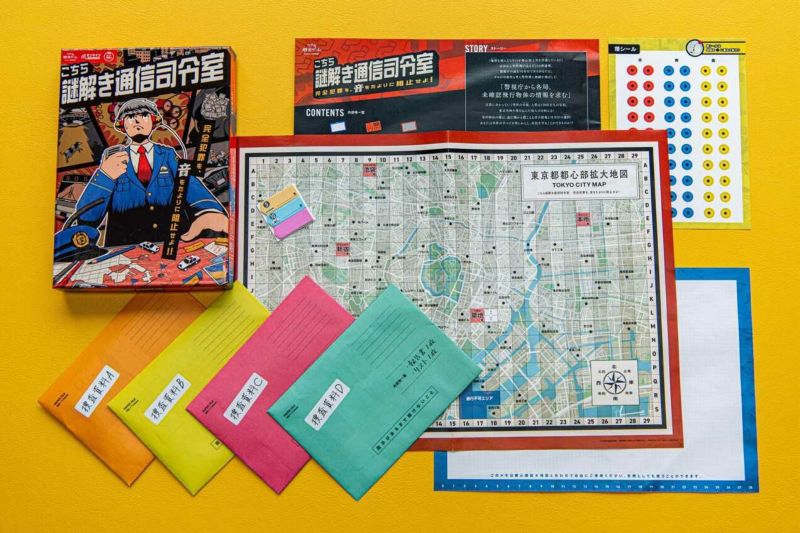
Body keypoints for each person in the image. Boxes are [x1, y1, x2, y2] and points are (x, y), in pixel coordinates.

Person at [73, 97, 227, 246]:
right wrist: (104, 176)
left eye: (144, 115)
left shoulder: (168, 154)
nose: (137, 121)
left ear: (154, 121)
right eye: (130, 117)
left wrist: (210, 211)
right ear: (122, 125)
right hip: (124, 247)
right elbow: (86, 218)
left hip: (171, 242)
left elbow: (190, 184)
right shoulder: (113, 159)